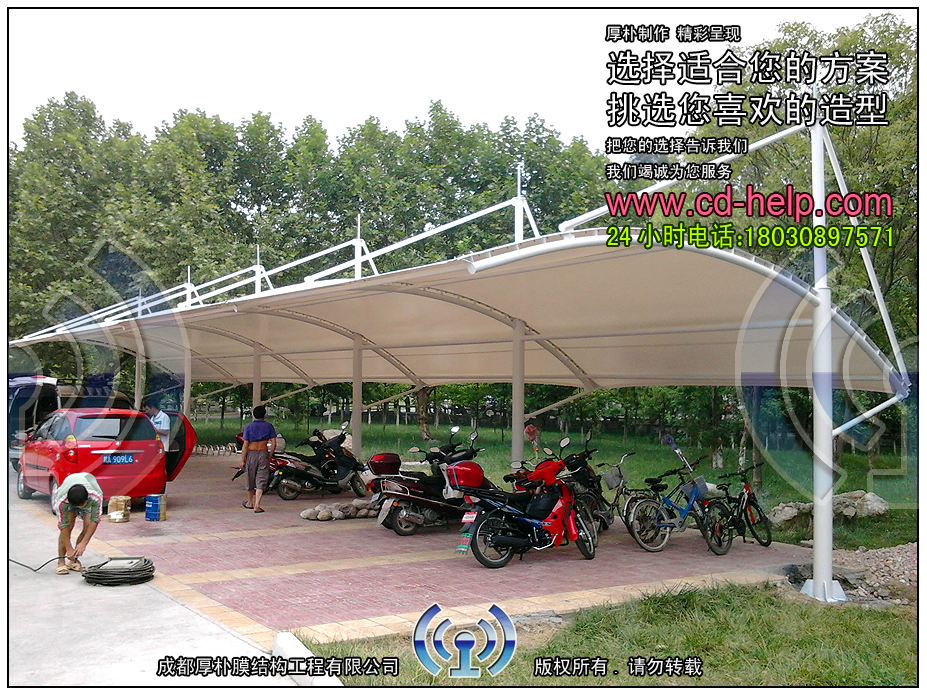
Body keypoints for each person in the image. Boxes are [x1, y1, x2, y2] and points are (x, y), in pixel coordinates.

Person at [53, 472, 104, 575]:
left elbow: (95, 520)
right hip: (68, 499)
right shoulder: (62, 501)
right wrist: (69, 548)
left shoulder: (95, 497)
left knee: (88, 526)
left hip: (88, 498)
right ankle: (61, 561)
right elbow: (63, 526)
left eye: (81, 506)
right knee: (68, 526)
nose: (79, 508)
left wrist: (83, 543)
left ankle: (74, 560)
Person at [239, 405, 276, 513]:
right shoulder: (269, 426)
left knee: (250, 477)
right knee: (261, 478)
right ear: (264, 415)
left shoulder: (249, 426)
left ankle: (250, 502)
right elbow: (274, 443)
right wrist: (269, 455)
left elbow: (245, 445)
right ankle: (257, 505)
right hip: (263, 453)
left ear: (254, 415)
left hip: (251, 454)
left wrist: (242, 459)